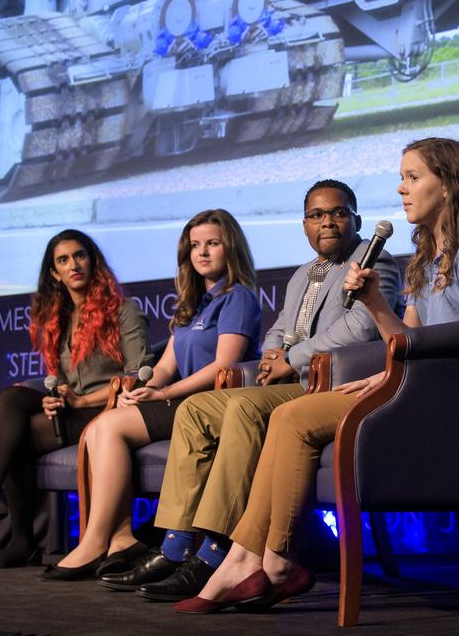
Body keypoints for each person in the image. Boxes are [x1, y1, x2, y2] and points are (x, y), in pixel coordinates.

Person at [179, 137, 459, 612]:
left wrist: (400, 374)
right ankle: (249, 556)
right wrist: (381, 332)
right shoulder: (428, 255)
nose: (402, 190)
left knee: (294, 418)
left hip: (452, 399)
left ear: (448, 186)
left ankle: (271, 561)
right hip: (417, 387)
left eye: (413, 177)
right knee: (289, 416)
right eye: (401, 179)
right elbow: (402, 340)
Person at [111, 179, 403, 600]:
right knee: (196, 408)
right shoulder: (304, 273)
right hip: (291, 380)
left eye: (339, 213)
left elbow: (359, 326)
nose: (328, 222)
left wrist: (292, 358)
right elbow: (281, 326)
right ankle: (176, 544)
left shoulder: (375, 261)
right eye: (317, 215)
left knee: (244, 409)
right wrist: (270, 354)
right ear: (304, 224)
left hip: (331, 384)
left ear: (355, 219)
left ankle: (215, 552)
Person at [41, 209, 262, 581]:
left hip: (212, 405)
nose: (202, 252)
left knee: (108, 428)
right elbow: (165, 366)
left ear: (231, 248)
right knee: (100, 427)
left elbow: (224, 365)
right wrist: (141, 389)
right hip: (180, 402)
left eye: (212, 243)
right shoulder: (197, 303)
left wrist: (165, 392)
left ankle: (95, 541)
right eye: (195, 246)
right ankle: (119, 538)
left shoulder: (237, 298)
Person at [0, 229, 151, 568]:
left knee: (16, 431)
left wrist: (81, 401)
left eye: (79, 256)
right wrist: (55, 397)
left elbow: (137, 375)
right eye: (63, 260)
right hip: (75, 410)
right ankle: (8, 522)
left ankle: (5, 518)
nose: (73, 265)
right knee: (11, 401)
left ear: (92, 261)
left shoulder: (123, 310)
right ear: (54, 273)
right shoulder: (55, 317)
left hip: (110, 411)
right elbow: (61, 380)